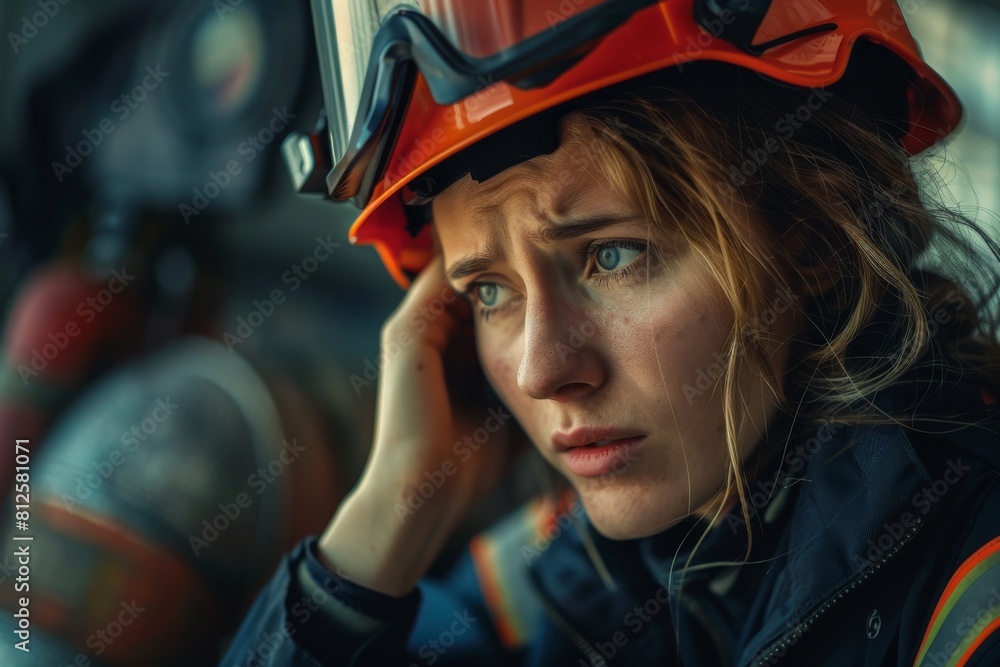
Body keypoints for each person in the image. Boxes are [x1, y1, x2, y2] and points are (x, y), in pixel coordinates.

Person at [223, 1, 1000, 665]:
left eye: (614, 255)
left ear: (813, 240)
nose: (540, 370)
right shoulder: (584, 562)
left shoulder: (974, 583)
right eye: (489, 290)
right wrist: (394, 505)